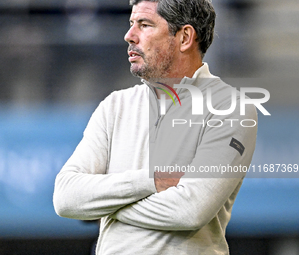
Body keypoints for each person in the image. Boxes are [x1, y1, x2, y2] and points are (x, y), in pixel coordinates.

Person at [53, 0, 258, 254]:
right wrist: (151, 180)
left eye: (145, 25)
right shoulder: (114, 105)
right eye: (131, 24)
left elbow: (189, 210)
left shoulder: (230, 107)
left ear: (184, 38)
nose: (129, 36)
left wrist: (107, 208)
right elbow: (65, 198)